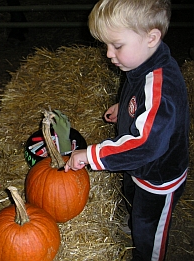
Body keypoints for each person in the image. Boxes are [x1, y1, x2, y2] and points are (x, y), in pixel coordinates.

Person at [65, 0, 189, 260]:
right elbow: (142, 100)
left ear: (151, 37)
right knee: (132, 199)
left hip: (158, 178)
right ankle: (135, 223)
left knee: (148, 229)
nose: (109, 53)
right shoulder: (142, 62)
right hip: (139, 169)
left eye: (117, 46)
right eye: (107, 45)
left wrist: (92, 155)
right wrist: (125, 107)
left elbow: (146, 144)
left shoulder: (160, 86)